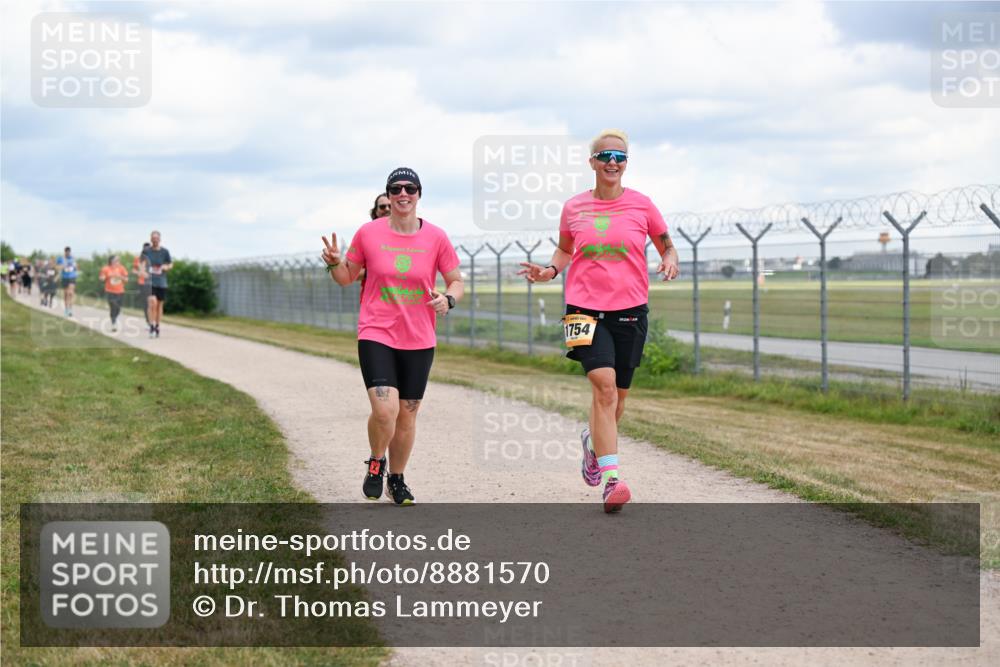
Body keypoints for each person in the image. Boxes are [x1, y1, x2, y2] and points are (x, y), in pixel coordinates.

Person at [519, 129, 680, 513]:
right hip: (583, 309)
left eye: (620, 157)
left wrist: (670, 257)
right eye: (605, 155)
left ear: (626, 165)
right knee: (603, 387)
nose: (612, 162)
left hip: (630, 309)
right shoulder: (574, 207)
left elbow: (665, 243)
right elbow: (564, 248)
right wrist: (550, 271)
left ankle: (593, 444)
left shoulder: (642, 205)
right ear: (592, 162)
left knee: (617, 400)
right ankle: (612, 481)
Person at [321, 168, 463, 505]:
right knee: (385, 411)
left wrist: (448, 298)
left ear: (418, 193)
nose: (403, 194)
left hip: (419, 337)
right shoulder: (369, 234)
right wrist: (334, 263)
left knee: (407, 413)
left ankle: (396, 479)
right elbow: (346, 278)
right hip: (377, 331)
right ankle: (376, 462)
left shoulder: (437, 237)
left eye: (409, 188)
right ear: (388, 192)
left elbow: (456, 280)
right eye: (396, 188)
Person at [141, 231, 172, 338]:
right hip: (150, 281)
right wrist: (143, 272)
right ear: (150, 239)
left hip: (162, 282)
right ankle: (152, 326)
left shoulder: (165, 252)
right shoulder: (146, 251)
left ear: (159, 239)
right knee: (152, 303)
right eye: (153, 238)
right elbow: (142, 264)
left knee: (159, 306)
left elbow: (170, 263)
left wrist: (166, 267)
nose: (155, 240)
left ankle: (157, 326)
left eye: (156, 238)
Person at [98, 255, 129, 331]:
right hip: (110, 291)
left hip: (120, 291)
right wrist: (104, 277)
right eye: (116, 260)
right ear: (111, 261)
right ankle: (113, 323)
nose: (118, 261)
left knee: (118, 308)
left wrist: (120, 277)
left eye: (118, 260)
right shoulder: (106, 269)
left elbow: (126, 279)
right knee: (113, 306)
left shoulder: (122, 268)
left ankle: (114, 318)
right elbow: (101, 278)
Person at [56, 247, 78, 316]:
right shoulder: (60, 258)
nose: (68, 253)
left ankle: (70, 310)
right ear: (65, 252)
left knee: (70, 293)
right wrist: (62, 266)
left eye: (69, 252)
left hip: (72, 277)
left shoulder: (73, 258)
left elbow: (76, 267)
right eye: (66, 252)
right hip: (65, 278)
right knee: (66, 294)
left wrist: (75, 266)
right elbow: (57, 267)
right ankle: (66, 309)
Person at [134, 242, 152, 325]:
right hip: (142, 283)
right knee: (145, 303)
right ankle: (148, 321)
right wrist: (140, 273)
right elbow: (134, 270)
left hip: (153, 283)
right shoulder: (138, 259)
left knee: (152, 302)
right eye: (146, 249)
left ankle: (152, 320)